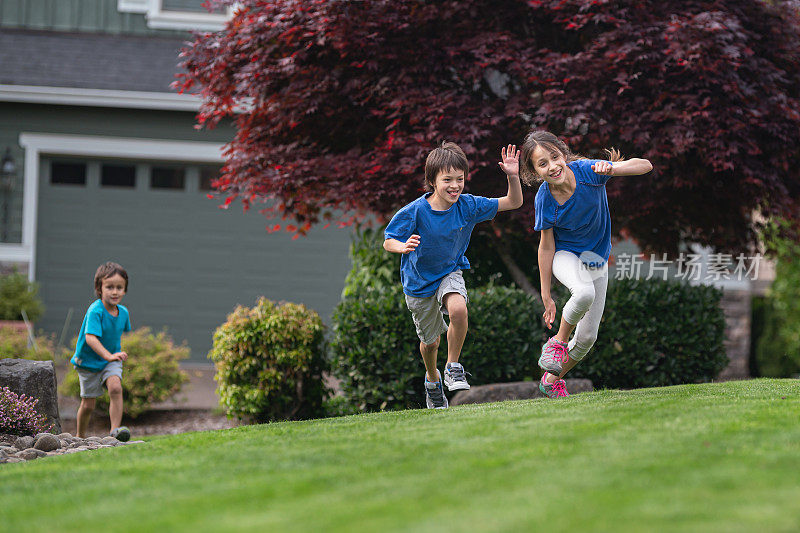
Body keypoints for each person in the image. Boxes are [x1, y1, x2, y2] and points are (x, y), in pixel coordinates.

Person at [384, 141, 523, 409]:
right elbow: (388, 240)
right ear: (432, 181)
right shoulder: (415, 211)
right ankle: (433, 379)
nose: (455, 185)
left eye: (459, 179)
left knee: (458, 309)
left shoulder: (468, 206)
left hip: (449, 270)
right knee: (430, 343)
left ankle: (453, 366)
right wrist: (402, 246)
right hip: (419, 283)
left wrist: (513, 176)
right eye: (447, 179)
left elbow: (514, 202)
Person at [519, 130, 653, 398]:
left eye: (554, 157)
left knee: (588, 338)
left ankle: (552, 379)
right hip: (565, 257)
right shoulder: (544, 199)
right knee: (583, 293)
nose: (552, 166)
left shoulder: (589, 172)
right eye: (542, 163)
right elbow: (546, 246)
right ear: (535, 172)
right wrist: (546, 293)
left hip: (596, 261)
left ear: (563, 154)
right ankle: (557, 342)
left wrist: (613, 168)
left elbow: (645, 166)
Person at [70, 262, 132, 441]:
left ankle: (115, 432)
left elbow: (120, 333)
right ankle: (79, 435)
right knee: (88, 404)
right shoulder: (95, 310)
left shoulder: (124, 313)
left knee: (115, 388)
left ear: (125, 290)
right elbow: (90, 339)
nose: (115, 292)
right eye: (110, 287)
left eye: (119, 287)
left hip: (110, 360)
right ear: (99, 288)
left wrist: (114, 356)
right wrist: (108, 355)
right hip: (88, 362)